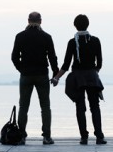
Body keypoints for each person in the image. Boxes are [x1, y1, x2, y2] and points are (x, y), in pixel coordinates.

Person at [51, 14, 107, 145]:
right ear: (88, 24)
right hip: (92, 77)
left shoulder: (72, 42)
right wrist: (94, 72)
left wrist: (56, 78)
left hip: (77, 78)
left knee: (80, 107)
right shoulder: (95, 40)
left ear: (75, 26)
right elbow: (99, 62)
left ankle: (84, 137)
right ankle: (99, 136)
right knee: (95, 107)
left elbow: (65, 65)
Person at [11, 12, 59, 145]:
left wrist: (21, 69)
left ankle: (21, 136)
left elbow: (14, 57)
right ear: (41, 21)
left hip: (26, 75)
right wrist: (55, 74)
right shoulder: (46, 37)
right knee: (45, 106)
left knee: (23, 106)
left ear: (28, 21)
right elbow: (52, 57)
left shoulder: (20, 36)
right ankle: (47, 136)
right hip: (42, 75)